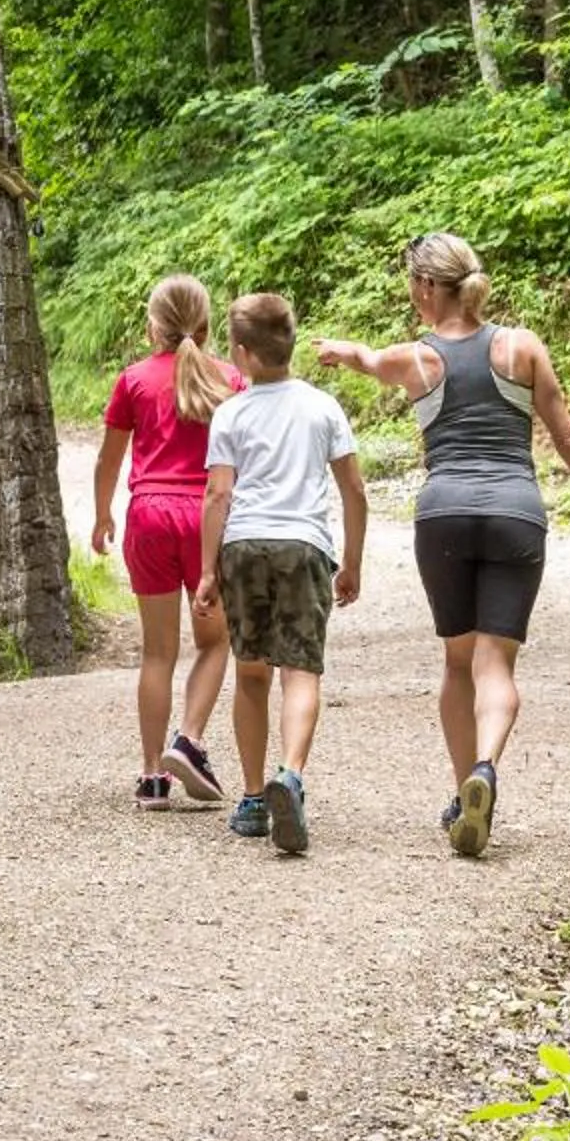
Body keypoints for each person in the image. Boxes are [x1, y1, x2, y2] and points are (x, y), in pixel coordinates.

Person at [314, 233, 570, 859]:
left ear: (429, 288)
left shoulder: (416, 359)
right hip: (517, 513)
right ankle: (485, 767)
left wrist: (335, 350)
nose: (411, 296)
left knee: (458, 663)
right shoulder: (521, 347)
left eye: (412, 285)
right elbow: (566, 435)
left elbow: (365, 358)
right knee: (497, 665)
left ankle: (464, 797)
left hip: (445, 518)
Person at [195, 292, 367, 857]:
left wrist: (207, 571)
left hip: (244, 546)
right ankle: (289, 776)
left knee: (250, 675)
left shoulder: (232, 412)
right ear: (292, 342)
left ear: (241, 354)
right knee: (300, 673)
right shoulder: (323, 407)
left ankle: (250, 799)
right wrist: (353, 562)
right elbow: (353, 490)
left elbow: (219, 494)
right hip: (303, 546)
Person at [92, 275, 245, 809]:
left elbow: (109, 458)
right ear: (205, 327)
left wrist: (101, 515)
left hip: (150, 517)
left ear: (152, 326)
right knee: (215, 641)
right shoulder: (230, 378)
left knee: (157, 653)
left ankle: (153, 775)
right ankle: (191, 739)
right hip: (208, 520)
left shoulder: (133, 379)